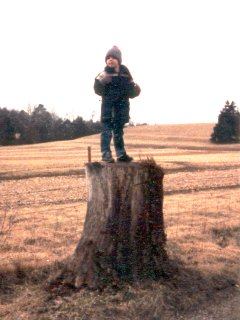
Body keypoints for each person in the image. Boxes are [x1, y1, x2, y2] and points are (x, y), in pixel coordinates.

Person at [94, 46, 141, 163]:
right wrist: (100, 83)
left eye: (113, 57)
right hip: (107, 109)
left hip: (121, 109)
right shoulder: (103, 75)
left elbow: (130, 92)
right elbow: (97, 90)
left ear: (119, 60)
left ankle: (121, 154)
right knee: (106, 132)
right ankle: (106, 154)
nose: (110, 59)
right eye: (108, 58)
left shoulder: (126, 75)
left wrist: (136, 90)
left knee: (118, 132)